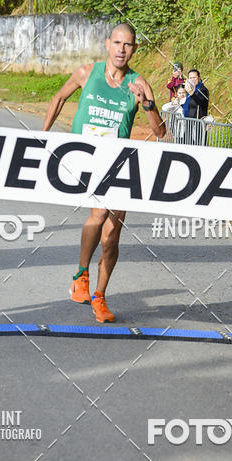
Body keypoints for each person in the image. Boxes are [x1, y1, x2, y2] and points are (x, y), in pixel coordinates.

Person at [43, 22, 165, 322]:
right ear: (108, 43)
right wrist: (40, 137)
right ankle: (81, 275)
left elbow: (160, 132)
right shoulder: (88, 72)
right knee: (97, 215)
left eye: (129, 44)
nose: (122, 49)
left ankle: (99, 297)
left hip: (118, 165)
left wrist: (146, 104)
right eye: (118, 43)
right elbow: (59, 98)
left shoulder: (139, 83)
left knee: (112, 238)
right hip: (87, 161)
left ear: (134, 48)